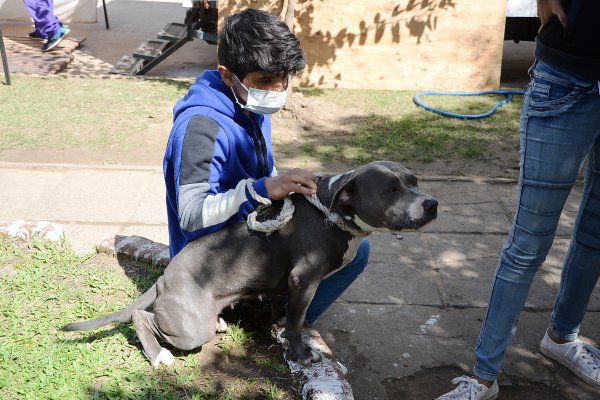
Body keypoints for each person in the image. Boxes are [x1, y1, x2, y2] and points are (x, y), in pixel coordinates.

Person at [163, 8, 370, 326]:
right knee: (335, 250)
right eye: (266, 81)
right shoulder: (200, 128)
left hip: (250, 230)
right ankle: (277, 325)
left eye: (285, 79)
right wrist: (264, 189)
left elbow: (263, 174)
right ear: (227, 75)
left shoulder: (248, 104)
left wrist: (285, 185)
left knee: (352, 239)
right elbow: (191, 216)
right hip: (214, 261)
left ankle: (281, 314)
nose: (277, 89)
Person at [436, 0, 600, 399]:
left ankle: (562, 339)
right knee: (528, 244)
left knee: (596, 234)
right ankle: (483, 378)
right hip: (569, 76)